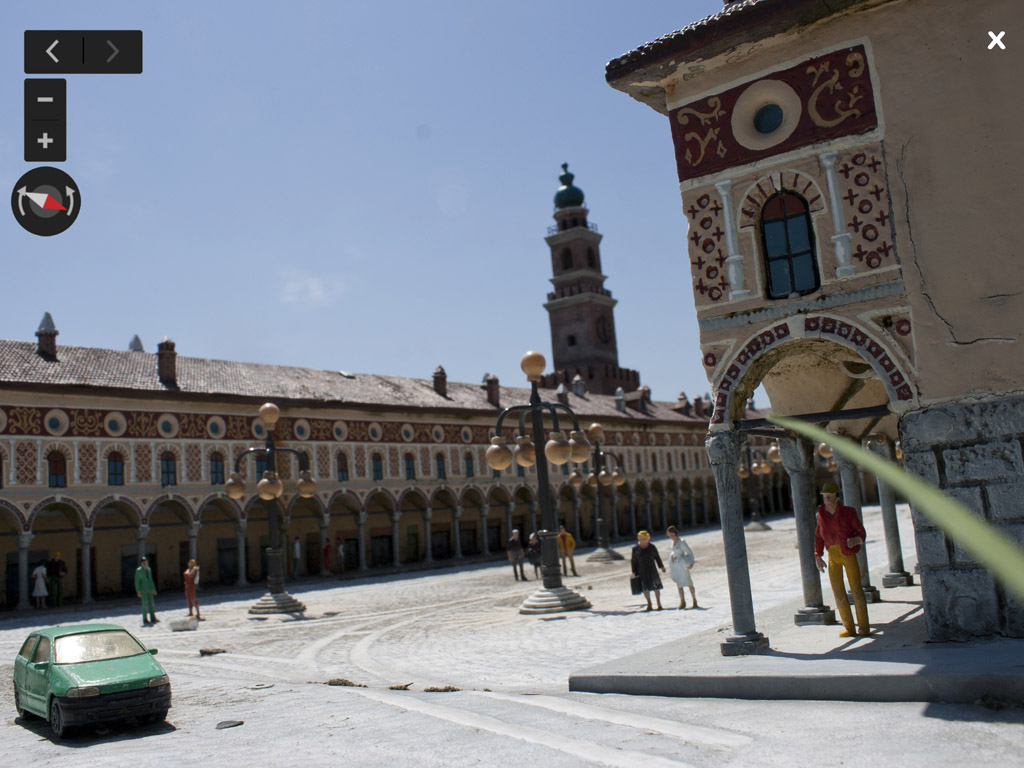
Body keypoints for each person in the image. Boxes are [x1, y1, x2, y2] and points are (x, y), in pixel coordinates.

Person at [815, 481, 871, 638]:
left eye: (829, 496)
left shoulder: (848, 512)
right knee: (838, 590)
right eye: (824, 497)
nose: (826, 499)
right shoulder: (821, 515)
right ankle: (849, 626)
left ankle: (864, 625)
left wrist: (856, 539)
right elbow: (819, 536)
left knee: (856, 588)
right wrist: (818, 555)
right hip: (833, 555)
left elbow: (861, 532)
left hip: (848, 554)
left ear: (836, 496)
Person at [631, 530, 666, 611]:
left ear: (648, 538)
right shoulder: (635, 549)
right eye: (641, 539)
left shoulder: (652, 547)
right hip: (641, 570)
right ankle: (649, 603)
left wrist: (661, 566)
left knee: (656, 586)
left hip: (652, 568)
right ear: (638, 539)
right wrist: (633, 571)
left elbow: (657, 557)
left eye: (645, 539)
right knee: (645, 588)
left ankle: (659, 603)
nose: (643, 540)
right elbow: (633, 561)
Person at [666, 526, 698, 609]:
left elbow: (689, 552)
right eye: (670, 535)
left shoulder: (681, 542)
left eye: (672, 535)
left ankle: (694, 600)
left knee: (688, 582)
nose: (671, 537)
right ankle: (682, 601)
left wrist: (691, 562)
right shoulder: (672, 542)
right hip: (675, 565)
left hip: (682, 564)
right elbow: (674, 551)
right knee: (679, 583)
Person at [135, 556, 158, 626]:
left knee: (151, 604)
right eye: (145, 563)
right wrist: (138, 591)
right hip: (143, 590)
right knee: (144, 604)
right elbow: (137, 581)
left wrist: (153, 588)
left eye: (147, 562)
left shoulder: (148, 570)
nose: (147, 564)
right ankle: (145, 619)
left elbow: (151, 580)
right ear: (142, 563)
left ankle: (153, 617)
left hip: (149, 589)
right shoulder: (139, 571)